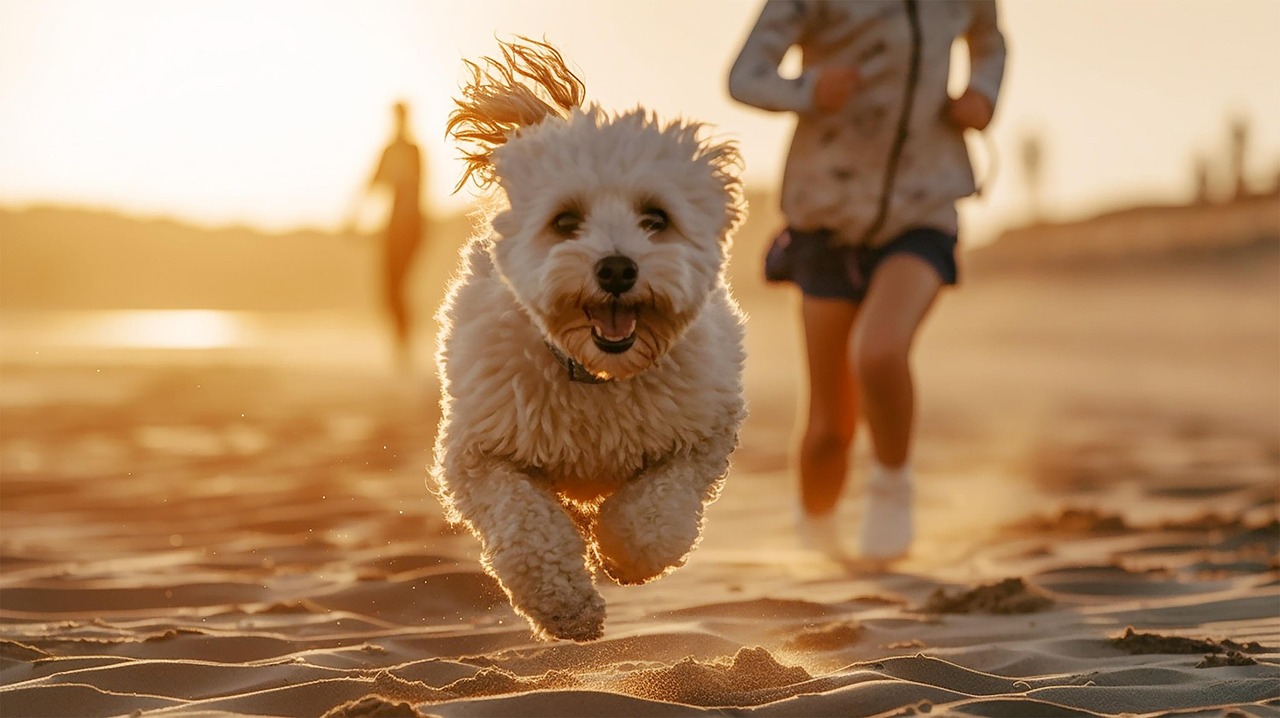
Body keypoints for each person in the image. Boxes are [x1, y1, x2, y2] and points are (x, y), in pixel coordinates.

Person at [728, 0, 1006, 561]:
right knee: (830, 426)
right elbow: (744, 76)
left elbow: (989, 39)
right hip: (826, 217)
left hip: (922, 209)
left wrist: (982, 94)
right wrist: (808, 88)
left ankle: (891, 486)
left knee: (878, 353)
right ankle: (818, 540)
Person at [361, 101, 425, 369]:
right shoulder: (389, 150)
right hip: (392, 224)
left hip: (410, 224)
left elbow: (416, 186)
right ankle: (400, 345)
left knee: (399, 285)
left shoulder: (413, 150)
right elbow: (372, 183)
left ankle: (405, 347)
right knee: (390, 287)